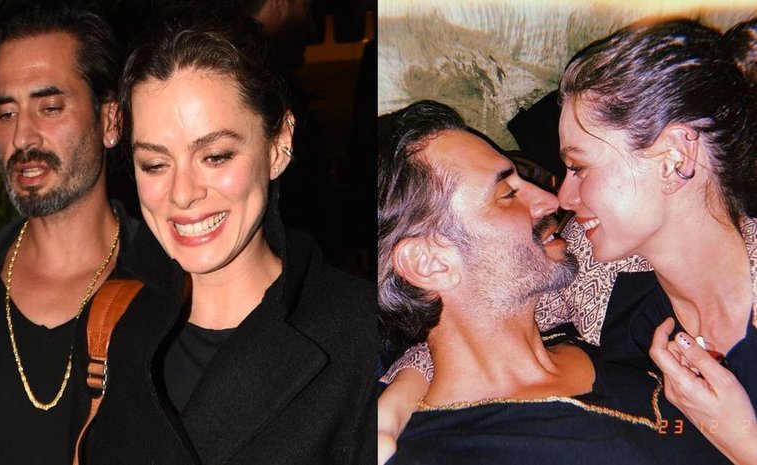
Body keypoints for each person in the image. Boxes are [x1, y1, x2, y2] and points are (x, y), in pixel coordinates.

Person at [380, 16, 757, 465]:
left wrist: (743, 441)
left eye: (579, 167)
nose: (560, 197)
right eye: (506, 192)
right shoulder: (596, 273)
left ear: (675, 157)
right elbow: (474, 323)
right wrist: (395, 400)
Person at [79, 13, 376, 464]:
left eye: (215, 156)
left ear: (278, 145)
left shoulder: (361, 336)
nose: (182, 193)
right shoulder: (114, 328)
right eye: (155, 164)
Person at [0, 5, 133, 465]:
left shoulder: (172, 288)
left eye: (49, 108)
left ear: (110, 121)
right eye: (6, 113)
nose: (23, 137)